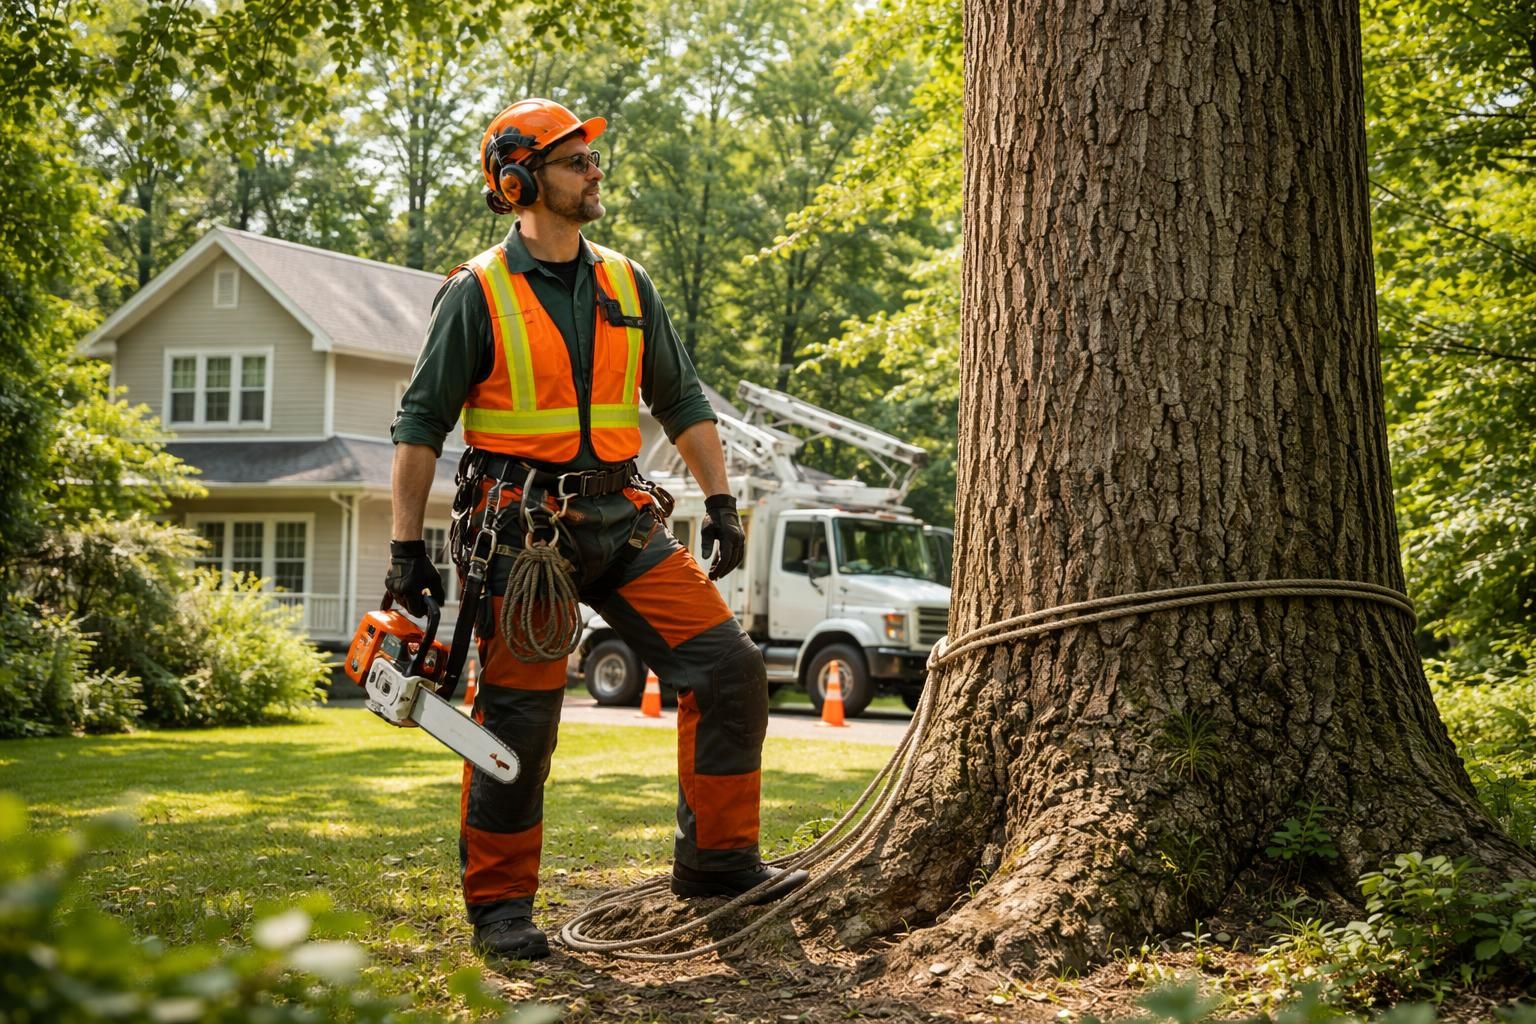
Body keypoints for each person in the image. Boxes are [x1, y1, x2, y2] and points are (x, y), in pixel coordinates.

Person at [386, 98, 808, 960]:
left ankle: (719, 863)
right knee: (519, 718)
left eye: (592, 158)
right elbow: (420, 425)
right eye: (575, 161)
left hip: (623, 518)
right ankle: (501, 906)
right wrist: (403, 549)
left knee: (729, 671)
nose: (594, 171)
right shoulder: (478, 293)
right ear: (519, 181)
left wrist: (720, 500)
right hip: (522, 536)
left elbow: (679, 398)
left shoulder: (627, 281)